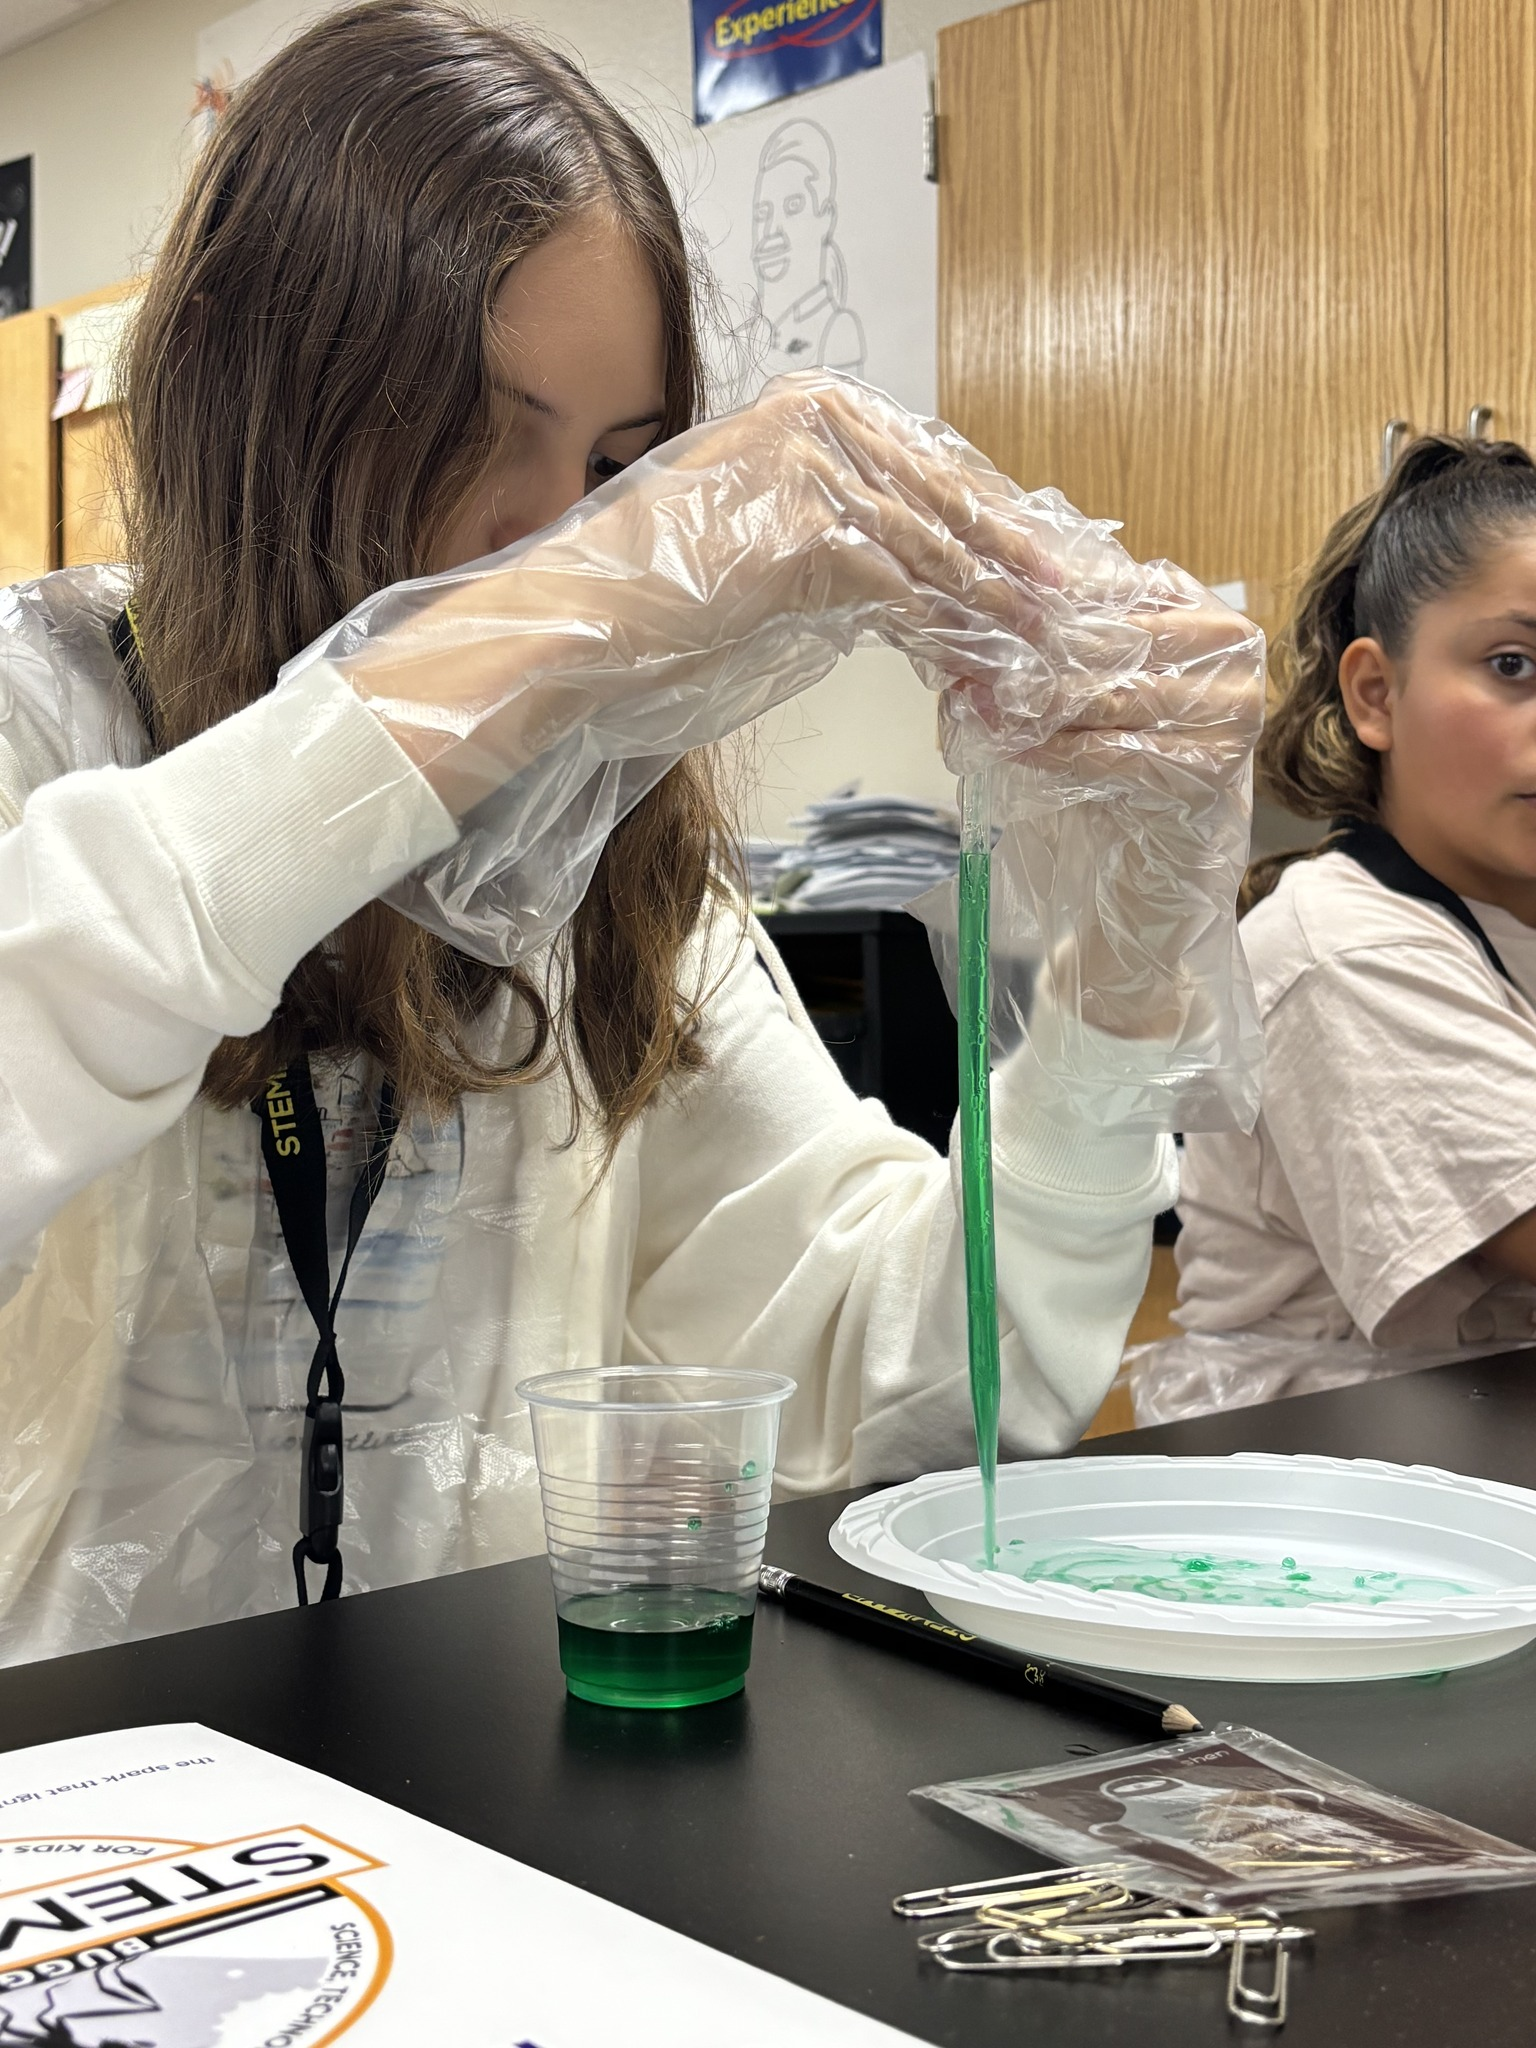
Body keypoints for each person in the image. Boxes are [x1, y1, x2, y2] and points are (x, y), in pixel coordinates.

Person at [0, 0, 1255, 1662]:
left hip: (454, 1783)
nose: (551, 541)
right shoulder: (40, 721)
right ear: (254, 403)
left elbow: (939, 1385)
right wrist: (524, 639)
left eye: (615, 474)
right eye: (471, 437)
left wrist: (1128, 950)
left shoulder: (605, 882)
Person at [1159, 435, 1536, 1420]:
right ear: (1377, 694)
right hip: (1317, 1459)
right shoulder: (1341, 948)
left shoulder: (1505, 919)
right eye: (1514, 664)